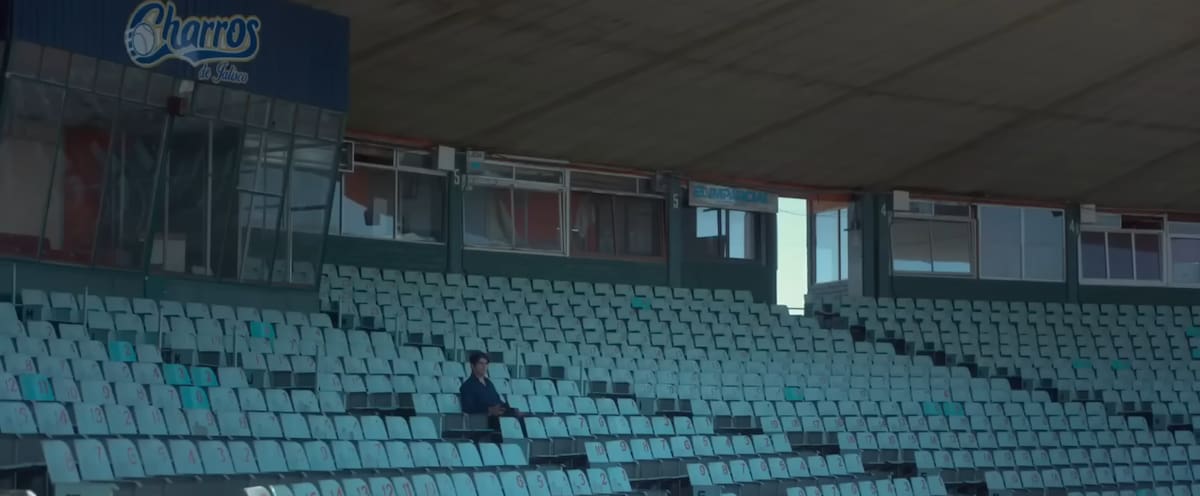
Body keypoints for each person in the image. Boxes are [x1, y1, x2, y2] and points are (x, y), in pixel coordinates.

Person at [459, 352, 520, 418]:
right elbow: (468, 409)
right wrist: (489, 410)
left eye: (486, 364)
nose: (484, 366)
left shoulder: (489, 383)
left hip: (498, 416)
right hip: (484, 419)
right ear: (472, 366)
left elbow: (497, 400)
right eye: (481, 363)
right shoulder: (467, 386)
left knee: (525, 416)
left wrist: (509, 409)